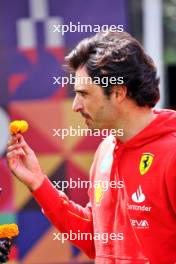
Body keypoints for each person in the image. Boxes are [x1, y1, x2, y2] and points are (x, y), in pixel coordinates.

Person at [6, 31, 176, 264]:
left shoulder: (171, 154)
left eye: (84, 94)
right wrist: (38, 182)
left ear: (118, 92)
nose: (75, 106)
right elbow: (96, 240)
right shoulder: (106, 149)